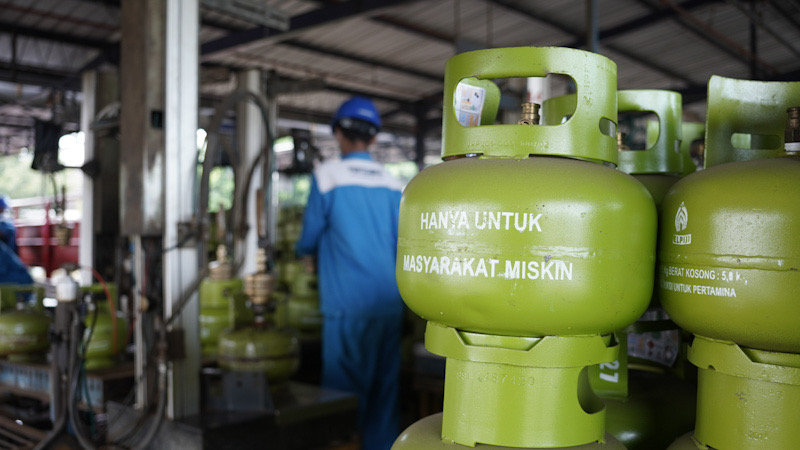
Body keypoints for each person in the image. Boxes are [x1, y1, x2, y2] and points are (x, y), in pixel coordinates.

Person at [295, 96, 405, 450]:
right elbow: (403, 242)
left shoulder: (327, 177)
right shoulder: (393, 184)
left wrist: (305, 255)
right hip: (389, 303)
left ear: (339, 134)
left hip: (347, 305)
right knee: (384, 391)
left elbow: (308, 238)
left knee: (343, 398)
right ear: (373, 138)